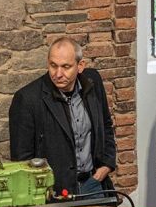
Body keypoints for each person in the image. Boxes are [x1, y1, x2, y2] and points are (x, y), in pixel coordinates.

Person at [8, 37, 116, 198]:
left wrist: (105, 167)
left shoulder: (93, 82)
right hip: (54, 194)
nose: (58, 74)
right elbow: (22, 160)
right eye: (53, 66)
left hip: (93, 184)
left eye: (66, 67)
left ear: (80, 66)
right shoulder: (27, 99)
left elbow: (106, 125)